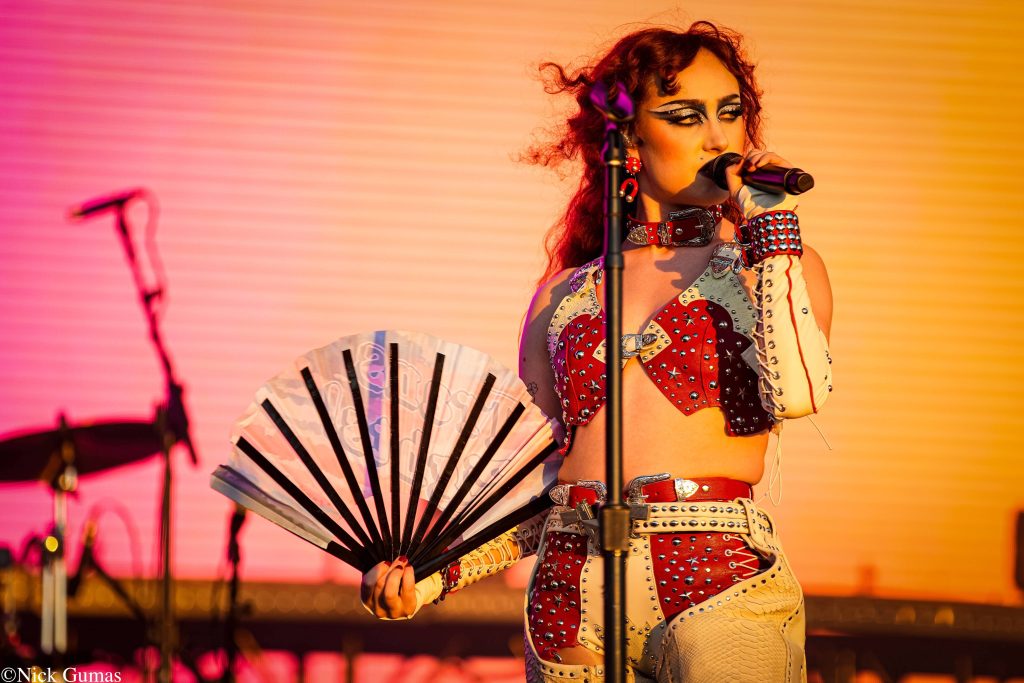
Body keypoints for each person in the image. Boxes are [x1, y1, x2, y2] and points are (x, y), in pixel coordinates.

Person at [362, 21, 833, 683]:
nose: (718, 138)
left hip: (716, 578)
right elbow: (537, 479)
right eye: (686, 116)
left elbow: (799, 393)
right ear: (629, 139)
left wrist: (772, 228)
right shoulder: (564, 294)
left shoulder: (774, 265)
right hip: (569, 589)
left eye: (730, 112)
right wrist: (436, 570)